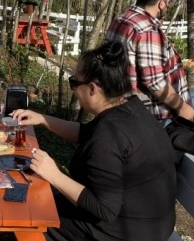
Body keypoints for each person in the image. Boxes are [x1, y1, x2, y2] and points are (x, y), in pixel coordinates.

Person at [11, 41, 177, 241]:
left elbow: (104, 209)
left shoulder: (109, 135)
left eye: (74, 83)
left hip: (125, 232)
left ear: (92, 88)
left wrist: (53, 174)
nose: (73, 89)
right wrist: (43, 119)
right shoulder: (130, 109)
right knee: (48, 198)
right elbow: (85, 133)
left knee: (33, 212)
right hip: (152, 224)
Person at [106, 0, 194, 121]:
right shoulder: (147, 29)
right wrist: (183, 108)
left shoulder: (121, 20)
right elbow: (155, 82)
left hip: (123, 106)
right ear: (162, 3)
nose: (168, 6)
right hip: (151, 116)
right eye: (168, 2)